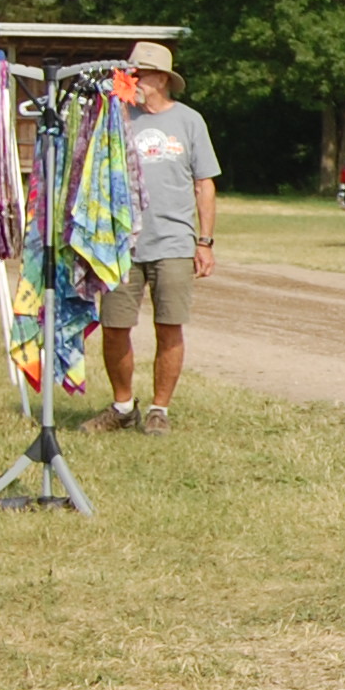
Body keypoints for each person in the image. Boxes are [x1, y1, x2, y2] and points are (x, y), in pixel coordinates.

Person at [84, 40, 219, 436]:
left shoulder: (190, 121)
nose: (133, 81)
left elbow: (204, 184)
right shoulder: (117, 118)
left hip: (173, 241)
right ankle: (123, 406)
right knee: (114, 326)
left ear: (161, 79)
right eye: (130, 74)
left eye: (139, 74)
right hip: (122, 244)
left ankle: (160, 409)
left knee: (169, 326)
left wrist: (205, 241)